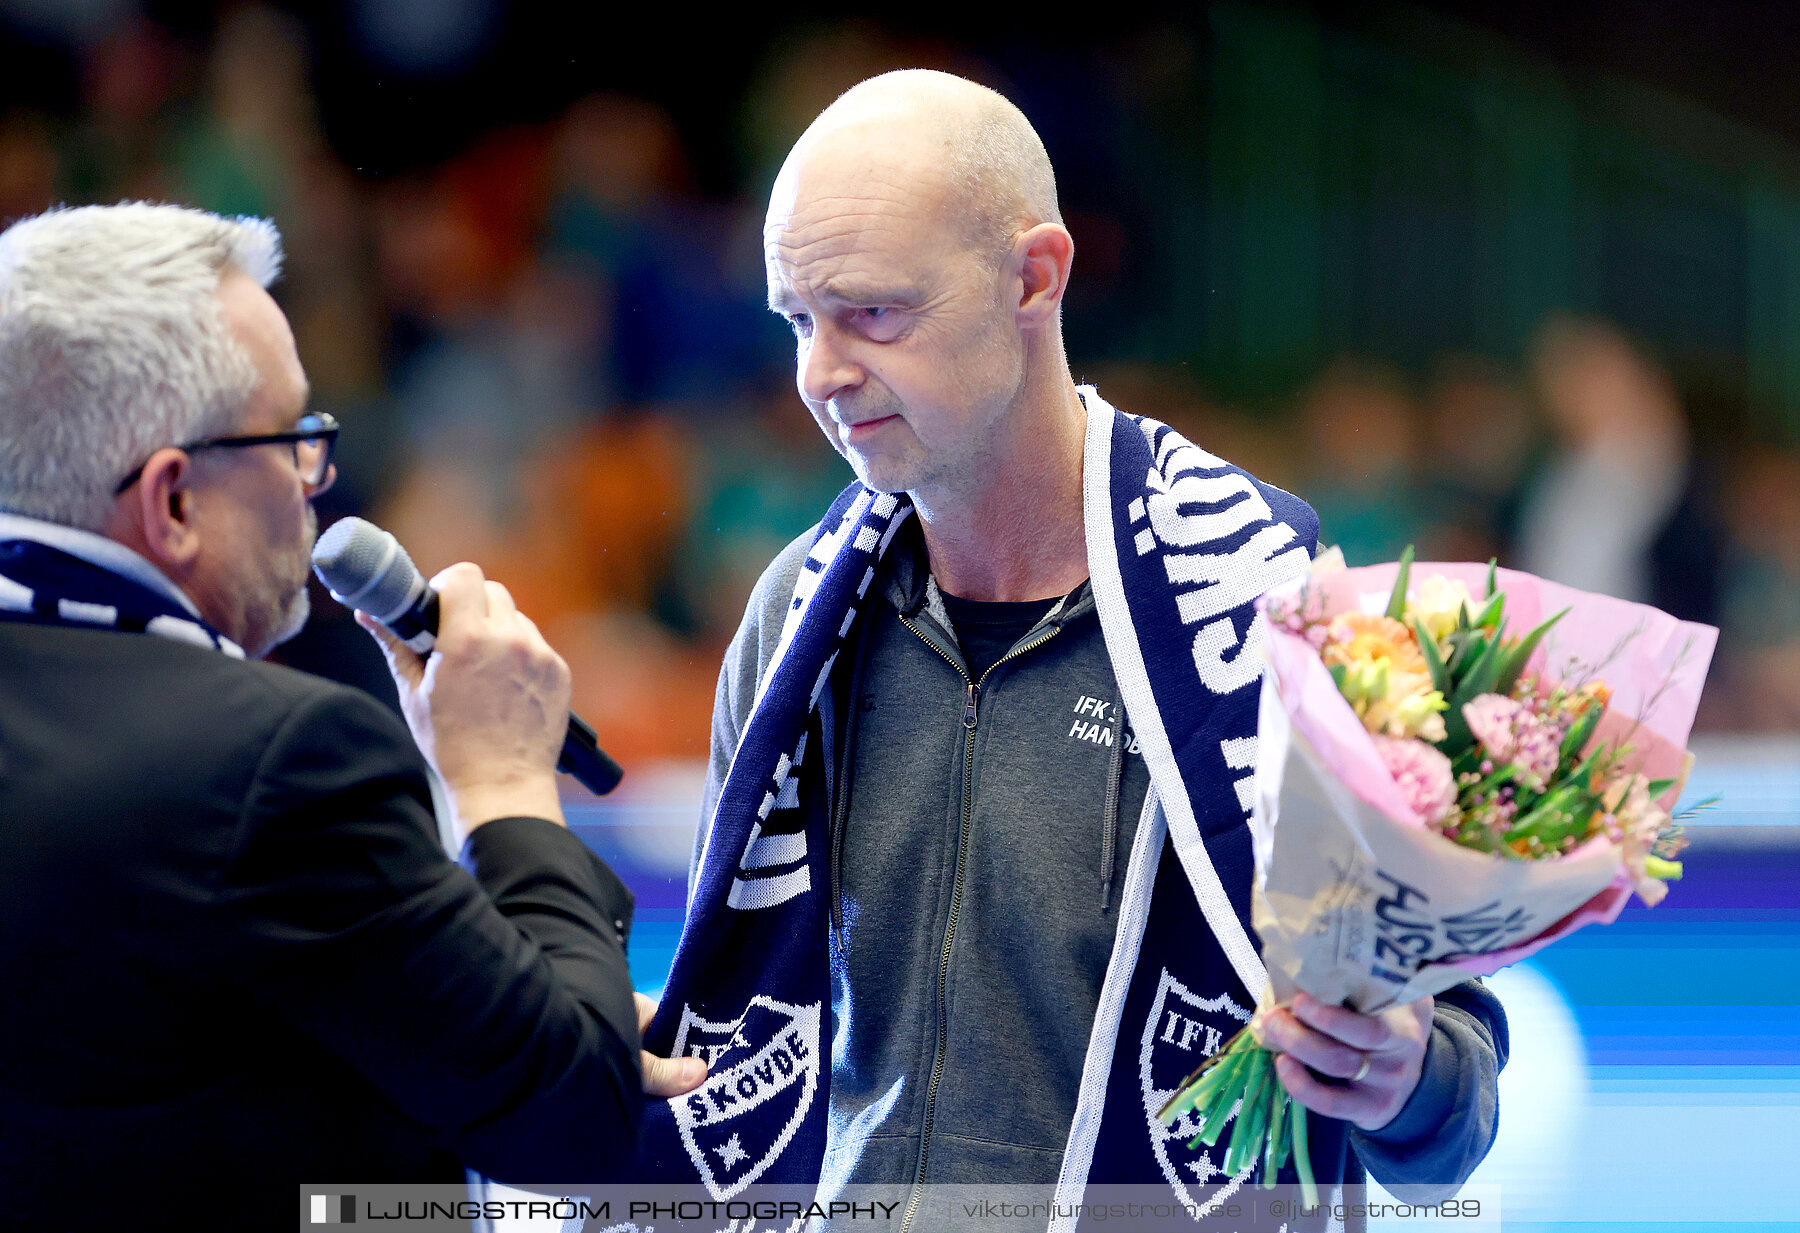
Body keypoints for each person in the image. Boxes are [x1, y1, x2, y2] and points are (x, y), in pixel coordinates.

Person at [644, 71, 1506, 1226]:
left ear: (1035, 278)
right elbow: (756, 1045)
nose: (821, 373)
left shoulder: (1269, 606)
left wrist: (1405, 1078)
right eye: (798, 320)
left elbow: (1451, 1105)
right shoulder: (797, 618)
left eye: (874, 313)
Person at [0, 203, 701, 1231]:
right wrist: (503, 777)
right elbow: (573, 1115)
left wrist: (535, 991)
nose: (313, 486)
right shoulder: (274, 760)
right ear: (174, 502)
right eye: (289, 440)